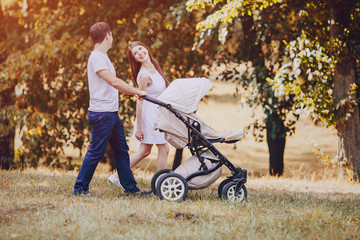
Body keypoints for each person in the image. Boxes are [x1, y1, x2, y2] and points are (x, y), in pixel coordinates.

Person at [73, 22, 149, 196]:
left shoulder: (103, 57)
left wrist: (134, 92)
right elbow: (113, 82)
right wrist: (137, 91)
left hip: (110, 113)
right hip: (102, 114)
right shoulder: (96, 58)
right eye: (112, 35)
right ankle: (80, 189)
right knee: (96, 151)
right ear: (107, 35)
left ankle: (131, 189)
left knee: (122, 150)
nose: (112, 38)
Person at [108, 41, 170, 188]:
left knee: (144, 151)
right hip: (149, 116)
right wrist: (139, 127)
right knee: (164, 149)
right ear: (135, 59)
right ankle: (161, 184)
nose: (139, 53)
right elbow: (140, 101)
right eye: (135, 53)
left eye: (141, 49)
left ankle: (116, 176)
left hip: (158, 113)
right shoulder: (144, 76)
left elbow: (164, 88)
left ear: (146, 49)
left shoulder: (154, 64)